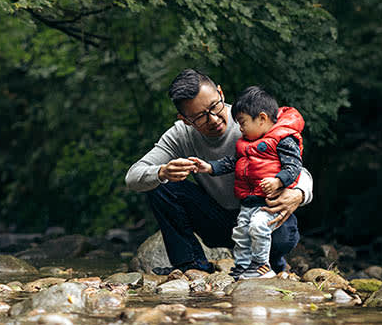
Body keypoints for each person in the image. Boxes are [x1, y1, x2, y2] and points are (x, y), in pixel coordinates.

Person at [125, 69, 313, 274]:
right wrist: (162, 172)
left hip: (262, 215)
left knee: (278, 233)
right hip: (218, 220)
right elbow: (133, 176)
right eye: (200, 117)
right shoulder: (180, 135)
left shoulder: (250, 121)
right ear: (185, 119)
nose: (214, 119)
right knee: (161, 186)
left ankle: (271, 263)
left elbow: (294, 165)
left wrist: (300, 193)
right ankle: (192, 268)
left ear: (221, 93)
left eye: (215, 106)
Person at [188, 86, 304, 279]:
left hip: (269, 203)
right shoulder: (245, 143)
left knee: (259, 227)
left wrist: (278, 182)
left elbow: (294, 167)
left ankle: (261, 265)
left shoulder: (283, 139)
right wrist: (209, 167)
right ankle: (243, 266)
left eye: (242, 123)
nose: (239, 129)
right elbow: (232, 163)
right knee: (241, 232)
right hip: (248, 201)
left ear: (262, 118)